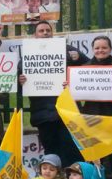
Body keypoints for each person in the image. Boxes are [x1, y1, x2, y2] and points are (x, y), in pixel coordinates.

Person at [18, 21, 87, 168]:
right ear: (35, 35)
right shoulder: (28, 56)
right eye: (41, 31)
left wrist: (79, 58)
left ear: (52, 33)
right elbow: (18, 84)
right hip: (43, 115)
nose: (45, 33)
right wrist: (20, 80)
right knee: (51, 154)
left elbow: (89, 67)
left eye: (47, 30)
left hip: (67, 113)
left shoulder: (67, 50)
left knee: (72, 152)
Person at [80, 36, 112, 175]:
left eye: (104, 47)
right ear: (92, 49)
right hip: (91, 117)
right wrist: (70, 86)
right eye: (97, 48)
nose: (100, 50)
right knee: (95, 156)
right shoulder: (83, 69)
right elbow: (75, 94)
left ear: (110, 49)